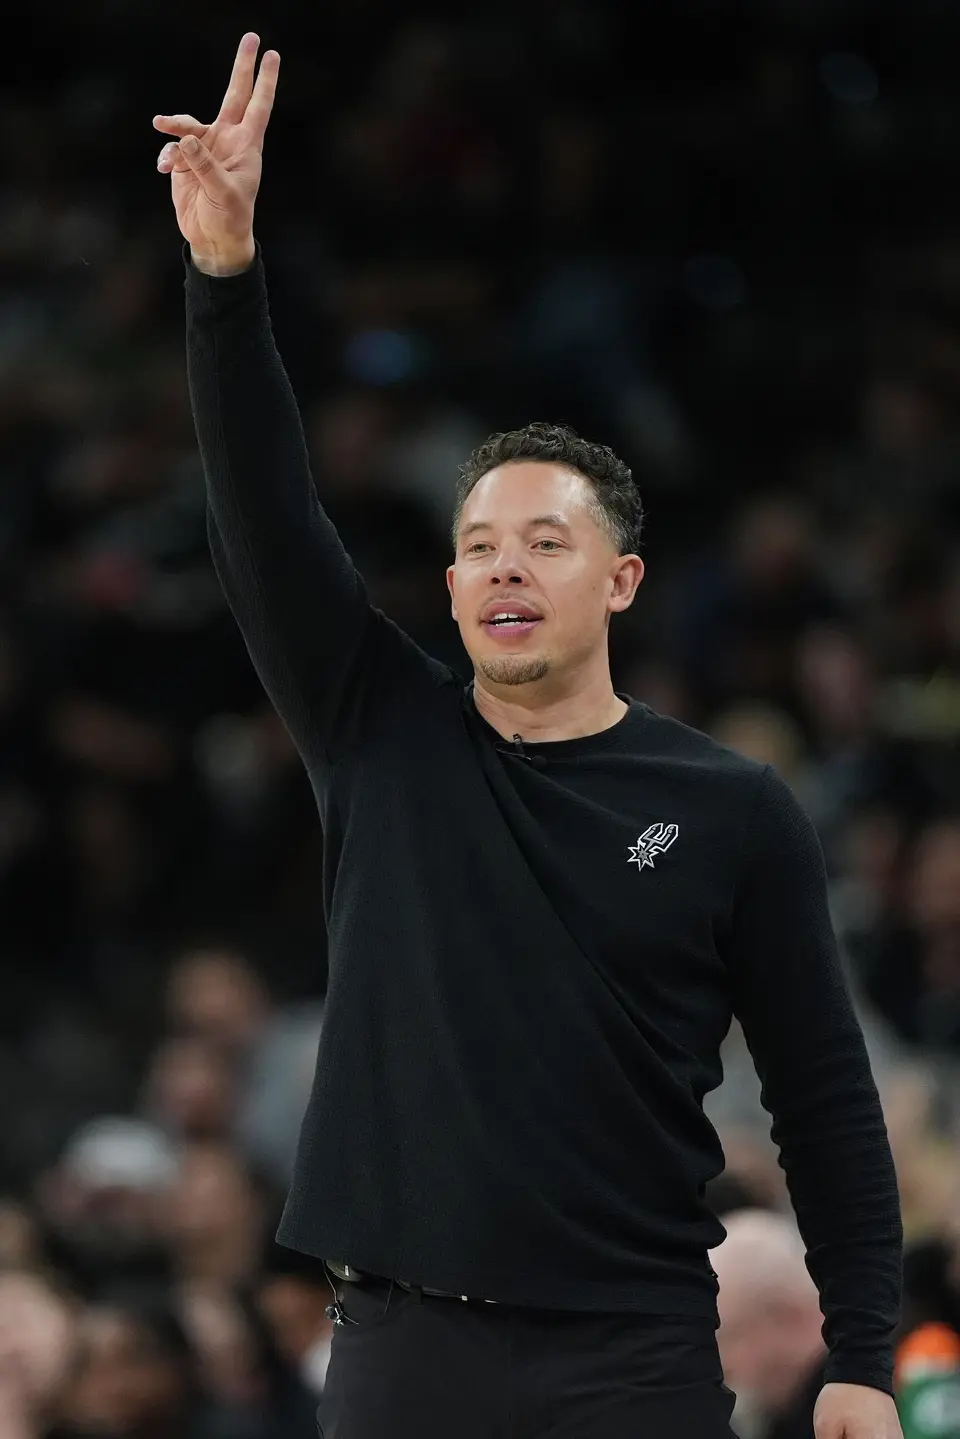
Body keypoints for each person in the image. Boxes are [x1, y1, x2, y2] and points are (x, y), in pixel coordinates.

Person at [154, 33, 903, 1439]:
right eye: (479, 543)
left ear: (619, 577)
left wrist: (862, 1347)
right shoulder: (379, 730)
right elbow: (262, 516)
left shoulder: (731, 804)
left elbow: (823, 1093)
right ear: (445, 586)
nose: (504, 565)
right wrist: (224, 279)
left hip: (631, 1358)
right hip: (398, 1350)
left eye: (545, 541)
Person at [710, 1209, 827, 1439]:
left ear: (792, 1319)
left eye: (730, 1337)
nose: (721, 1364)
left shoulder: (864, 1411)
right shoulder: (782, 1417)